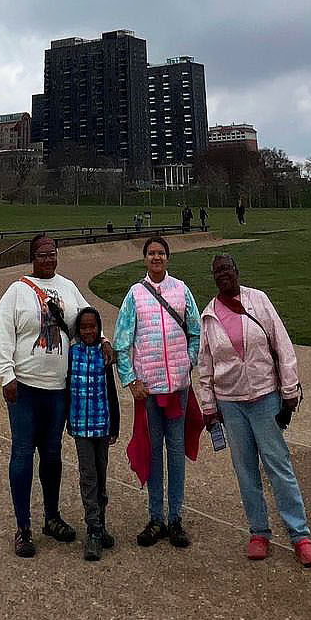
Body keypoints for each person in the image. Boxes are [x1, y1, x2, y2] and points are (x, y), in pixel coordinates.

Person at [199, 252, 311, 567]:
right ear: (213, 277)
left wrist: (289, 390)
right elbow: (206, 364)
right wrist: (209, 407)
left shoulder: (258, 300)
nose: (223, 274)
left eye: (228, 268)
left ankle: (300, 535)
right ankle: (258, 532)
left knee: (278, 467)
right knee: (245, 470)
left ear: (237, 271)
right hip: (231, 403)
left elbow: (282, 345)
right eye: (218, 271)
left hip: (266, 397)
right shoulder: (209, 314)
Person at [0, 232, 107, 557]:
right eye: (42, 254)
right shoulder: (17, 292)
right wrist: (6, 374)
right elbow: (2, 329)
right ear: (32, 257)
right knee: (23, 453)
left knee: (52, 455)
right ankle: (23, 526)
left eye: (52, 253)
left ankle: (52, 517)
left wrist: (105, 340)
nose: (48, 259)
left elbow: (88, 319)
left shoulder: (68, 287)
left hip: (57, 389)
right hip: (25, 387)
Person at [114, 235, 202, 549]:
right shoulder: (135, 295)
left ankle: (175, 517)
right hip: (149, 390)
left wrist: (188, 362)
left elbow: (195, 330)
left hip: (177, 387)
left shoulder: (181, 290)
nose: (156, 258)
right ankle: (155, 517)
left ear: (167, 257)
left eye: (161, 253)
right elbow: (122, 341)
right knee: (153, 454)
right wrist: (130, 379)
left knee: (175, 455)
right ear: (145, 258)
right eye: (151, 253)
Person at [67, 307, 121, 561]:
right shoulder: (71, 353)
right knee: (88, 476)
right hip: (80, 425)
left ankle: (101, 523)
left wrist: (115, 426)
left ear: (100, 330)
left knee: (101, 475)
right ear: (77, 330)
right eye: (84, 327)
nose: (88, 331)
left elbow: (111, 390)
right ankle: (92, 528)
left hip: (101, 424)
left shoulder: (104, 354)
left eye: (93, 327)